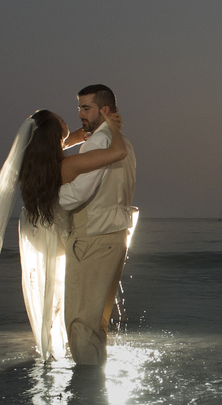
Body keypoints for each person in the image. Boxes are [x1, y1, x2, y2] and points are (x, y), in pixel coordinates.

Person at [0, 108, 128, 361]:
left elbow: (73, 138)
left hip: (33, 225)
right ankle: (68, 343)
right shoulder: (68, 165)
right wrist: (113, 127)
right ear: (54, 136)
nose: (67, 121)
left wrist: (91, 129)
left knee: (50, 285)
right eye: (62, 120)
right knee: (61, 284)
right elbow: (117, 153)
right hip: (51, 231)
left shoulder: (33, 159)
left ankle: (51, 342)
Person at [58, 85, 137, 366]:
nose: (80, 114)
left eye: (86, 108)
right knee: (97, 322)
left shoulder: (99, 143)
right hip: (115, 237)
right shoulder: (122, 141)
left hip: (92, 238)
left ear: (104, 110)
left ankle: (85, 401)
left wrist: (46, 197)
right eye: (79, 108)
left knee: (81, 323)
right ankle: (96, 390)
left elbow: (77, 194)